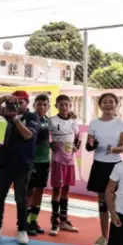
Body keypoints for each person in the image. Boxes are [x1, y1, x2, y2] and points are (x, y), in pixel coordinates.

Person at [0, 91, 40, 245]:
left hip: (23, 163)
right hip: (5, 162)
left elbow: (28, 135)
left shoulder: (32, 117)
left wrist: (15, 117)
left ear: (27, 103)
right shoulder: (9, 113)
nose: (17, 105)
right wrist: (5, 98)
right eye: (15, 102)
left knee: (20, 198)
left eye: (21, 102)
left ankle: (22, 229)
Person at [87, 92, 123, 245]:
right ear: (100, 105)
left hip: (116, 166)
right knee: (103, 202)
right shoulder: (94, 123)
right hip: (99, 165)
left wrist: (114, 149)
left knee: (116, 203)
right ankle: (104, 236)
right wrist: (91, 143)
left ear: (116, 104)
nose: (108, 104)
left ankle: (117, 238)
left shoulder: (121, 123)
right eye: (105, 102)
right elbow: (89, 145)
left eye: (111, 101)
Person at [49, 95, 81, 236]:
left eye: (66, 104)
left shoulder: (74, 121)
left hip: (70, 161)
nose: (64, 107)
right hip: (57, 160)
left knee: (66, 190)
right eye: (61, 104)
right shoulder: (52, 120)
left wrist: (76, 147)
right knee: (57, 190)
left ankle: (64, 220)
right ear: (57, 105)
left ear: (70, 105)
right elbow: (46, 138)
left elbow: (78, 139)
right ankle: (54, 222)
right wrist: (51, 144)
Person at [27, 94, 52, 235]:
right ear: (34, 105)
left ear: (48, 107)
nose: (42, 107)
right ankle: (24, 222)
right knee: (29, 191)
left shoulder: (49, 121)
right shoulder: (30, 118)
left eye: (45, 104)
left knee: (40, 191)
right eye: (39, 104)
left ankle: (33, 220)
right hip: (31, 162)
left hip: (44, 161)